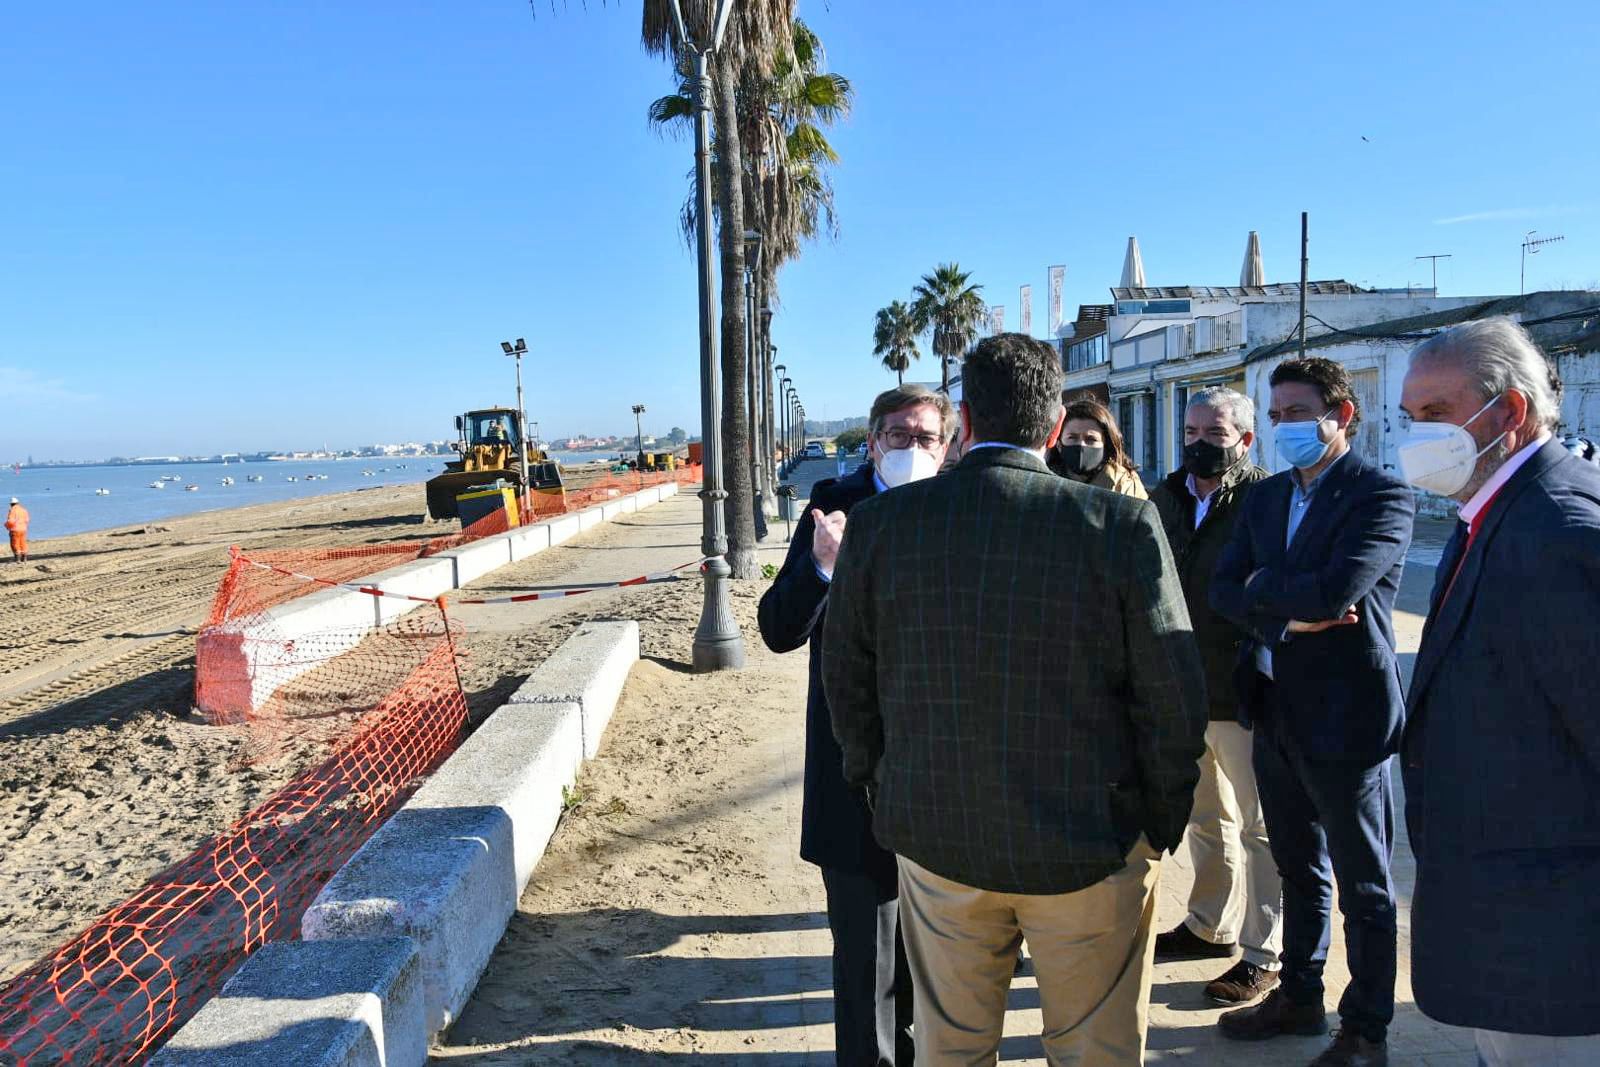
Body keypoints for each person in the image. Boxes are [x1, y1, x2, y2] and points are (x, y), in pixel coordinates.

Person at [823, 334, 1207, 1065]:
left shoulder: (881, 526)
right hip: (1091, 852)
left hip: (939, 845)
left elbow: (847, 677)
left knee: (950, 1050)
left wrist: (881, 785)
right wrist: (1154, 826)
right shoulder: (1120, 524)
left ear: (964, 420)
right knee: (1094, 1049)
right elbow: (1173, 693)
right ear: (1056, 425)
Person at [1397, 318, 1600, 1065]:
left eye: (1438, 415)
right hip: (1513, 925)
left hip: (1558, 942)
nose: (1417, 437)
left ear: (1509, 412)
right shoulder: (1495, 510)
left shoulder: (1560, 531)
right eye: (1410, 418)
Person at [1210, 357, 1414, 1067]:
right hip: (1274, 706)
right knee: (1299, 866)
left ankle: (1366, 1029)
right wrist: (1282, 613)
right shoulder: (1265, 499)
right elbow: (1221, 589)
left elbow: (1335, 592)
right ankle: (1299, 994)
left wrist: (1269, 595)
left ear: (1342, 415)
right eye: (1275, 415)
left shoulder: (1380, 496)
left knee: (1363, 882)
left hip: (1346, 717)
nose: (1281, 427)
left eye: (1296, 413)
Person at [757, 383, 955, 1066]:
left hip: (946, 780)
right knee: (866, 971)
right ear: (871, 443)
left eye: (925, 435)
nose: (911, 446)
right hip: (853, 783)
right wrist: (822, 566)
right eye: (897, 434)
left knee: (936, 974)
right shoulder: (831, 507)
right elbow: (778, 628)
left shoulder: (958, 509)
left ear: (949, 443)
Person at [1148, 387, 1282, 1005]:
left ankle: (1264, 951)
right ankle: (1209, 924)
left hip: (1245, 688)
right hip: (1182, 686)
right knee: (1207, 819)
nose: (1200, 443)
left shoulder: (1268, 500)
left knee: (1261, 827)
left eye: (1216, 433)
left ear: (1246, 441)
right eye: (1192, 431)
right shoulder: (1165, 497)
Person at [1046, 394, 1148, 499]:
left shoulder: (1125, 486)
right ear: (1058, 445)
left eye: (1091, 439)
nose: (1081, 444)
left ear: (1106, 444)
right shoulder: (1044, 482)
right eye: (1072, 437)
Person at [6, 496, 27, 564]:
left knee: (15, 544)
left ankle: (18, 559)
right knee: (22, 543)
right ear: (18, 503)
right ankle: (24, 558)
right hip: (23, 529)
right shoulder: (24, 510)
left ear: (11, 504)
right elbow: (27, 520)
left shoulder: (12, 510)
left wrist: (7, 526)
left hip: (15, 529)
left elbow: (10, 521)